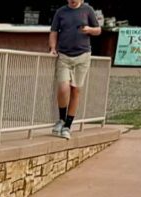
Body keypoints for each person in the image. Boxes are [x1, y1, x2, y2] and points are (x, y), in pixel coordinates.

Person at [49, 0, 100, 140]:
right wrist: (53, 48)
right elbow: (54, 31)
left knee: (75, 89)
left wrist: (89, 29)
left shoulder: (87, 10)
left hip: (82, 55)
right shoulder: (61, 12)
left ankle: (68, 125)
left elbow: (98, 30)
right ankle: (61, 119)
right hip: (64, 55)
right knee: (63, 88)